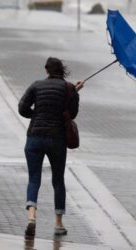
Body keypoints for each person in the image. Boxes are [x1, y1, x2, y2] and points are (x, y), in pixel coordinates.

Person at [18, 57, 84, 239]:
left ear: (47, 70)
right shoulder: (69, 88)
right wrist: (74, 93)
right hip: (56, 139)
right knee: (58, 180)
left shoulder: (36, 85)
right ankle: (58, 223)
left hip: (35, 138)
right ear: (62, 70)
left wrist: (37, 114)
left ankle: (31, 216)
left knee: (33, 178)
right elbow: (72, 114)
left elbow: (22, 108)